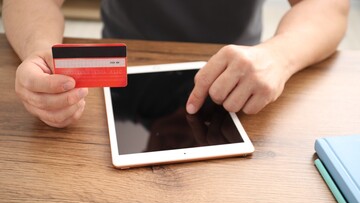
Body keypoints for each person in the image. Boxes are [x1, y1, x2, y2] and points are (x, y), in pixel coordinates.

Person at [2, 0, 349, 128]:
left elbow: (329, 6)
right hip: (124, 74)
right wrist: (39, 53)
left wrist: (278, 55)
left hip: (235, 72)